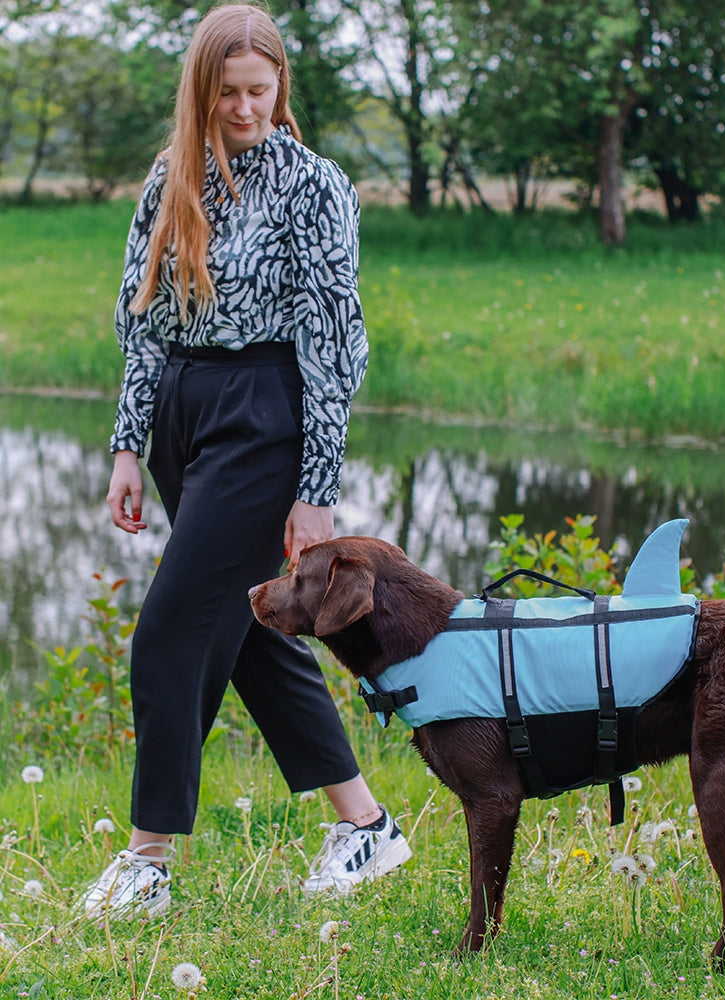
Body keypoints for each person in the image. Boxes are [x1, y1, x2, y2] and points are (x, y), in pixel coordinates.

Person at [81, 2, 411, 920]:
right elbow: (141, 321)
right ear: (200, 91)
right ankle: (367, 827)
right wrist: (128, 446)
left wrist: (316, 491)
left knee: (169, 637)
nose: (243, 108)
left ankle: (149, 858)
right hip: (185, 413)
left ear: (281, 85)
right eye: (225, 93)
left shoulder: (314, 185)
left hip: (266, 414)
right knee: (253, 636)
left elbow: (335, 343)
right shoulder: (172, 180)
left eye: (258, 91)